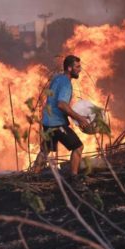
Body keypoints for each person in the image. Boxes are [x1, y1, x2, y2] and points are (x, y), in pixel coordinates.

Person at [32, 55, 90, 189]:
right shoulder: (66, 83)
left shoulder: (57, 78)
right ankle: (74, 179)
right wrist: (80, 118)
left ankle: (34, 175)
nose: (79, 70)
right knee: (78, 147)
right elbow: (62, 105)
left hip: (47, 120)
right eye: (77, 67)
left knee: (45, 150)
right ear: (69, 68)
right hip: (56, 123)